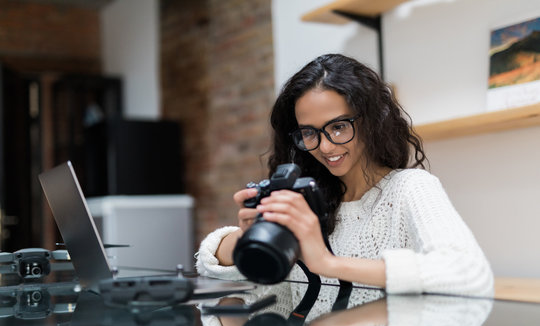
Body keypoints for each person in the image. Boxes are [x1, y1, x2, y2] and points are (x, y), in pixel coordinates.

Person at [196, 53, 493, 298]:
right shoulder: (309, 201)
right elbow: (216, 274)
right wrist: (248, 238)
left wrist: (327, 263)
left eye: (338, 127)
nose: (325, 147)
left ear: (372, 121)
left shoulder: (410, 189)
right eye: (309, 133)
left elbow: (468, 274)